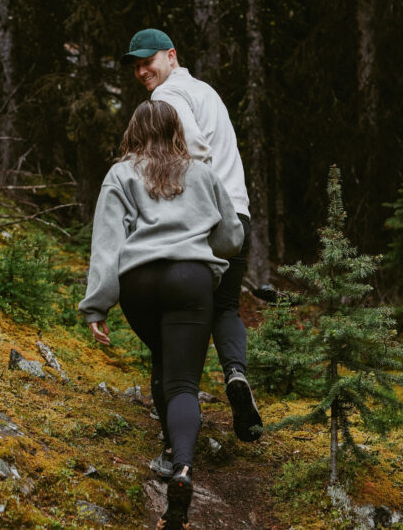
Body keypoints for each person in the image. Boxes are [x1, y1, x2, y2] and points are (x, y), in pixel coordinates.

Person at [79, 100, 244, 530]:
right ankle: (184, 469)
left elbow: (107, 245)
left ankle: (169, 453)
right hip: (191, 281)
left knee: (163, 359)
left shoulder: (120, 174)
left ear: (133, 131)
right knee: (184, 380)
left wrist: (97, 304)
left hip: (140, 283)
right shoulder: (203, 173)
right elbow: (230, 239)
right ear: (177, 131)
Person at [120, 29, 264, 467]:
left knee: (175, 328)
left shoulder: (171, 94)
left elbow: (195, 150)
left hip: (204, 218)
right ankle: (235, 373)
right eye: (137, 64)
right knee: (225, 309)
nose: (144, 70)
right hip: (236, 215)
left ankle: (173, 447)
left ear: (171, 55)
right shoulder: (206, 91)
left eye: (150, 60)